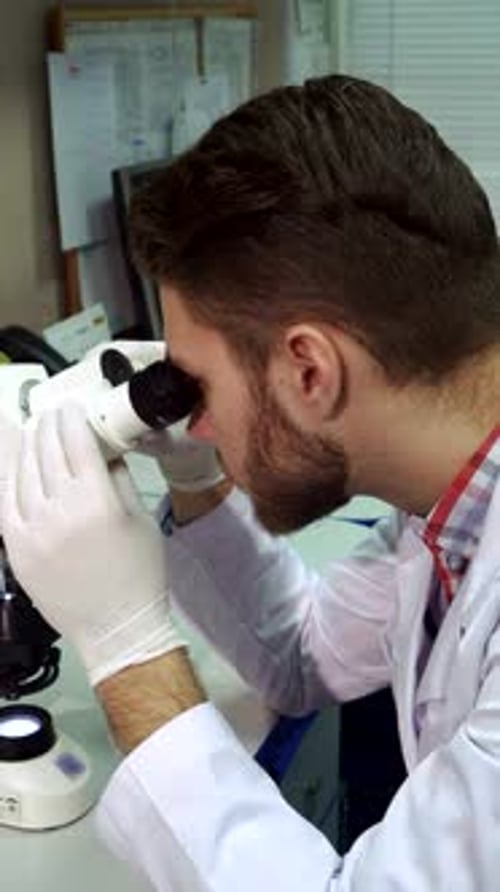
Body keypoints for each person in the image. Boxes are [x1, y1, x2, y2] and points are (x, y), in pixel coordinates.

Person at [3, 73, 500, 890]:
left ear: (308, 368)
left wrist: (126, 647)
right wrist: (199, 482)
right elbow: (304, 657)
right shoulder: (447, 508)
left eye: (198, 385)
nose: (192, 419)